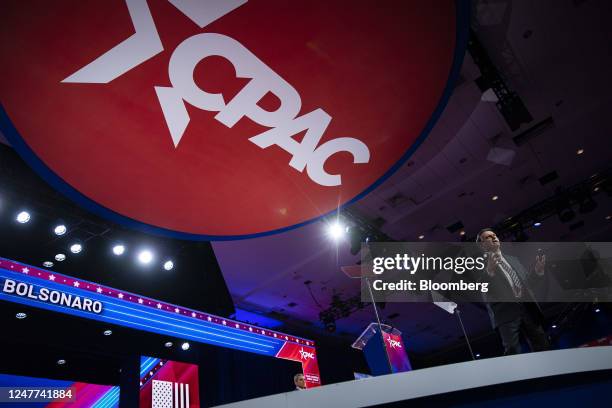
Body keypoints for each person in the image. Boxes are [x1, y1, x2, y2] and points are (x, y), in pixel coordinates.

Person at [476, 228, 550, 355]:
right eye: (488, 237)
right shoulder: (478, 264)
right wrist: (489, 271)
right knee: (512, 350)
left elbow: (527, 284)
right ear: (482, 245)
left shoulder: (513, 259)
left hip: (527, 308)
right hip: (505, 312)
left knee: (542, 344)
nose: (494, 237)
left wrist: (537, 272)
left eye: (495, 235)